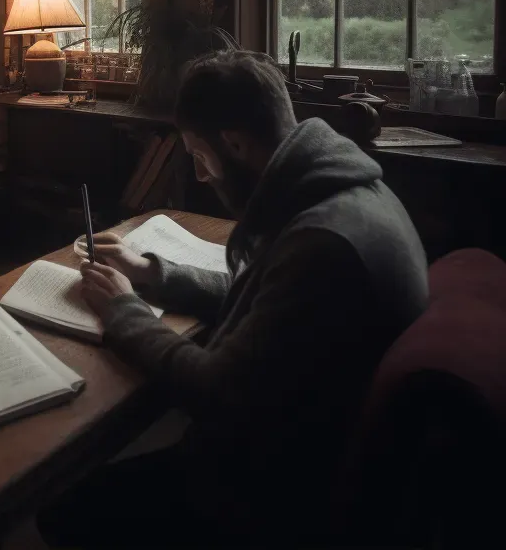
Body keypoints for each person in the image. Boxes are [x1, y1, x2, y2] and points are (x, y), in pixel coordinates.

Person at [37, 51, 429, 548]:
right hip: (309, 453)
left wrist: (123, 310)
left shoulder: (324, 244)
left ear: (236, 144)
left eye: (200, 158)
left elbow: (215, 393)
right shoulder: (338, 193)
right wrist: (152, 273)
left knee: (62, 509)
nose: (202, 176)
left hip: (274, 502)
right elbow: (272, 294)